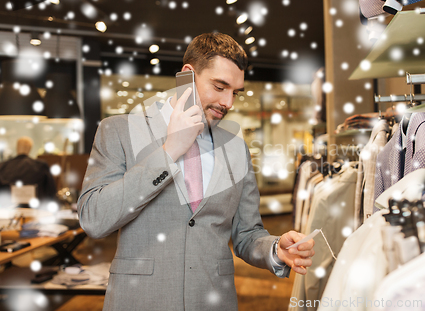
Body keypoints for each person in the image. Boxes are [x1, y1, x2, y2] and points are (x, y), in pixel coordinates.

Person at [78, 32, 315, 310]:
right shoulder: (119, 130)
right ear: (188, 75)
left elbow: (248, 233)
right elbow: (94, 218)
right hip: (140, 299)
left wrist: (275, 249)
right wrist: (170, 151)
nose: (229, 102)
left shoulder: (236, 148)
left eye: (235, 92)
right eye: (219, 86)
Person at [0, 136, 56, 204]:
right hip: (36, 208)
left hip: (7, 208)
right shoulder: (41, 166)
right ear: (30, 148)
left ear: (17, 147)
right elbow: (51, 190)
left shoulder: (3, 166)